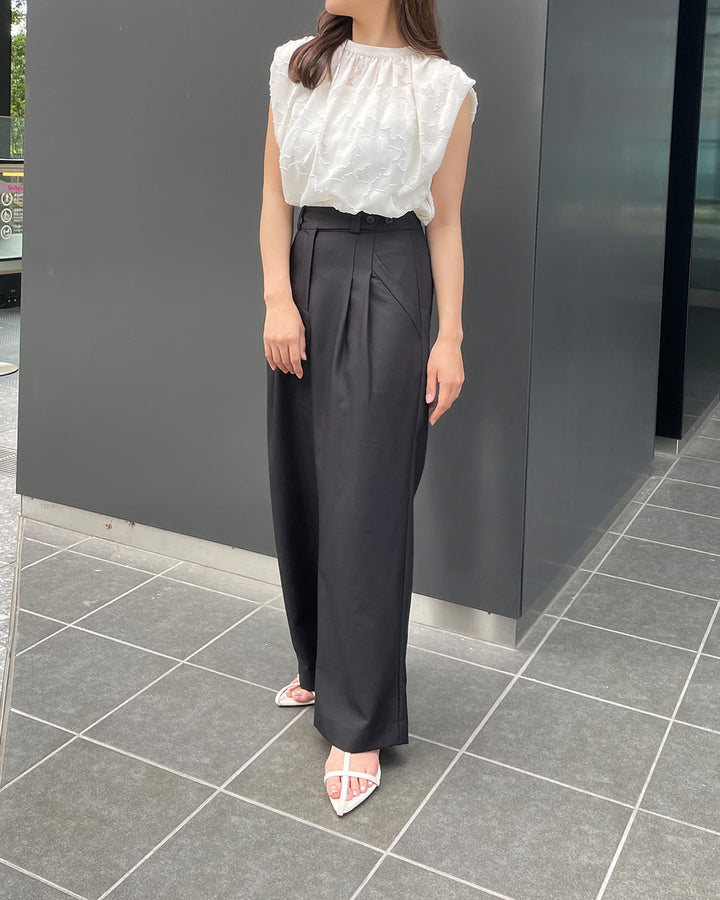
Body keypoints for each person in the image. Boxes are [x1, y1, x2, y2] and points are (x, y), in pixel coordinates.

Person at [259, 0, 477, 816]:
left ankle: (359, 725)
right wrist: (278, 299)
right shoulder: (295, 64)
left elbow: (446, 222)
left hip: (392, 271)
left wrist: (450, 336)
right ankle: (322, 667)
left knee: (368, 503)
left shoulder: (444, 89)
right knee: (304, 485)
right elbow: (273, 197)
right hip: (306, 269)